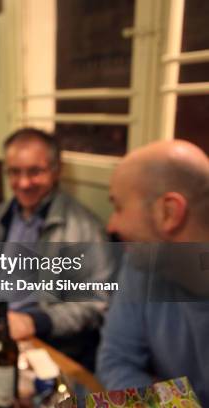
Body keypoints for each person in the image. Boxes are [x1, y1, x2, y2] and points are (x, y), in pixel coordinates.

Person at [0, 128, 113, 369]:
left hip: (39, 344)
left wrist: (36, 321)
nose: (23, 183)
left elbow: (97, 305)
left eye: (35, 171)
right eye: (14, 172)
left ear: (56, 171)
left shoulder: (86, 230)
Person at [97, 140, 209, 404]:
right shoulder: (143, 261)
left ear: (168, 212)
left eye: (118, 207)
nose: (111, 225)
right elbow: (115, 361)